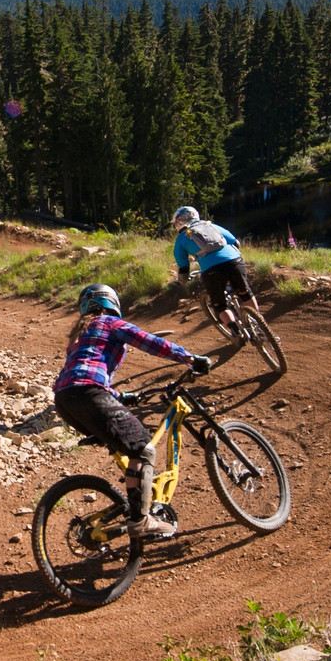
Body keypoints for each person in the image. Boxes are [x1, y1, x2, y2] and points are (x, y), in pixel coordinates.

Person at [51, 283, 210, 539]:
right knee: (143, 448)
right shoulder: (109, 323)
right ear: (111, 303)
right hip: (89, 395)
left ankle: (133, 506)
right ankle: (141, 520)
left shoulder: (78, 338)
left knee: (128, 447)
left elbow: (84, 377)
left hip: (65, 401)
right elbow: (150, 342)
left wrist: (120, 396)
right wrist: (189, 358)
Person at [171, 205, 257, 321]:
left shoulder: (181, 238)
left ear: (178, 222)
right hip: (234, 261)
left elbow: (183, 264)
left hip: (211, 270)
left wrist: (183, 279)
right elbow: (235, 242)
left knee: (220, 306)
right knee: (246, 294)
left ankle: (237, 335)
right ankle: (259, 325)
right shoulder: (210, 225)